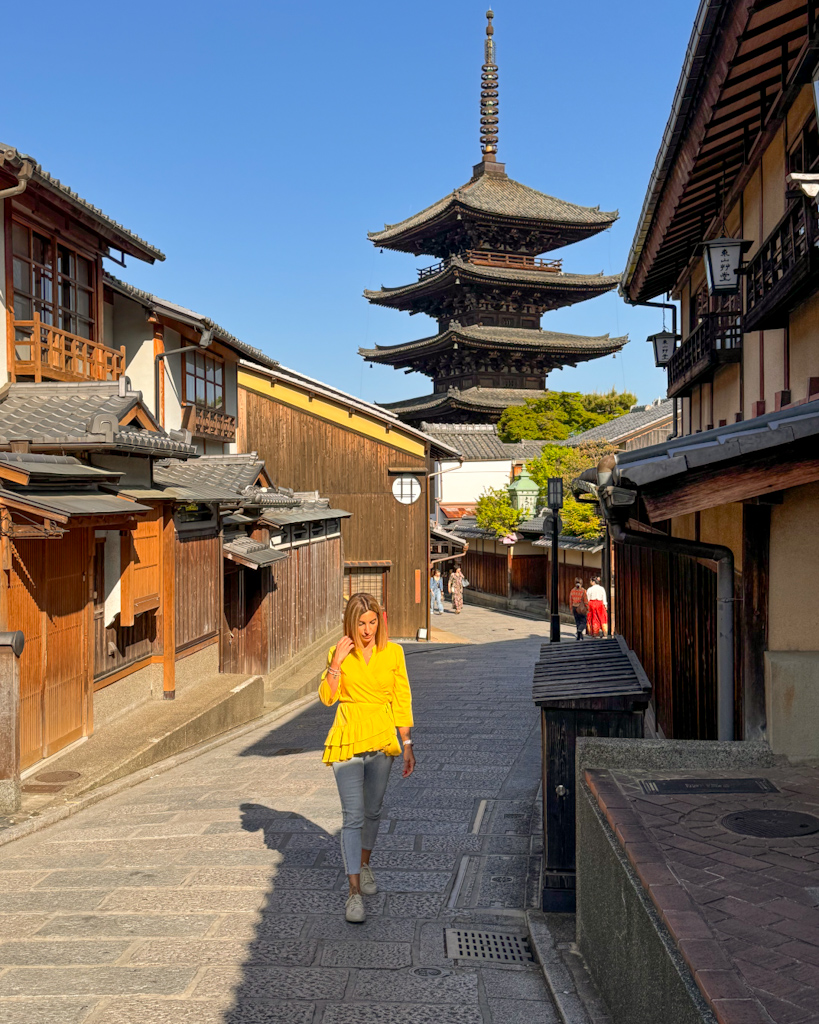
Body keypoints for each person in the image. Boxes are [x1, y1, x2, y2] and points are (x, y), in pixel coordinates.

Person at [319, 592, 415, 923]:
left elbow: (402, 697)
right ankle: (353, 893)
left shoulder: (394, 653)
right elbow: (327, 699)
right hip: (348, 734)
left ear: (380, 620)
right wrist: (335, 664)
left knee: (373, 810)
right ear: (351, 622)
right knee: (353, 815)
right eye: (361, 623)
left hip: (383, 735)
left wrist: (408, 742)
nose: (367, 629)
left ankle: (364, 863)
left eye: (372, 622)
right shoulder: (339, 652)